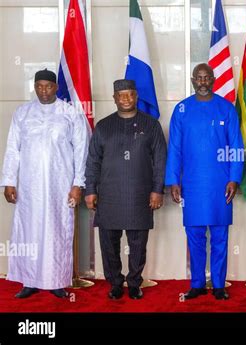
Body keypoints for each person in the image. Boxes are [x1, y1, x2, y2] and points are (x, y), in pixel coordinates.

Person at [0, 69, 90, 299]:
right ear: (34, 87)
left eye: (48, 86)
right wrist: (9, 181)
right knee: (28, 231)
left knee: (57, 231)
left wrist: (78, 184)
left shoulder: (70, 114)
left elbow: (81, 151)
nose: (43, 90)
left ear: (56, 87)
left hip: (59, 186)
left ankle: (56, 281)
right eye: (39, 86)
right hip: (29, 187)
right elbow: (12, 150)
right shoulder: (22, 113)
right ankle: (29, 281)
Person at [165, 63, 243, 300]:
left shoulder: (226, 109)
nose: (202, 82)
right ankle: (197, 283)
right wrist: (173, 181)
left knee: (220, 236)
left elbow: (236, 147)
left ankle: (219, 285)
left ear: (213, 80)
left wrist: (234, 179)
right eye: (198, 78)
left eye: (206, 77)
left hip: (220, 185)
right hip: (192, 184)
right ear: (192, 80)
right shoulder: (181, 110)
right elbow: (175, 149)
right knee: (195, 235)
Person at [84, 79, 167, 300]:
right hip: (108, 196)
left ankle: (134, 283)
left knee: (138, 244)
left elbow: (160, 160)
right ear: (114, 98)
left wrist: (157, 190)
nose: (126, 99)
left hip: (140, 194)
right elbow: (93, 161)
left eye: (130, 94)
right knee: (109, 245)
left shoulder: (151, 125)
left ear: (137, 96)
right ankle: (115, 283)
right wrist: (90, 190)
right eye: (121, 95)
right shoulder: (103, 126)